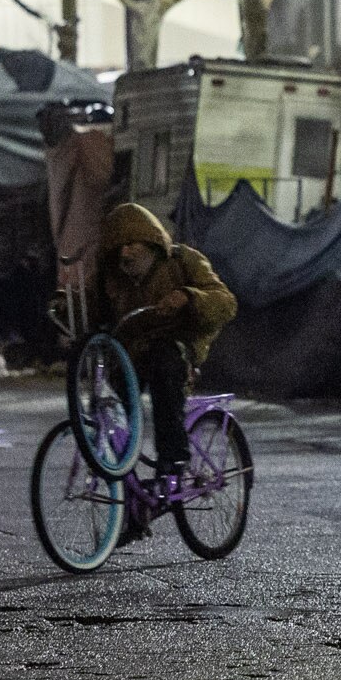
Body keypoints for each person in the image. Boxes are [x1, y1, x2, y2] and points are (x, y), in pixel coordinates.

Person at [88, 201, 239, 478]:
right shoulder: (110, 277)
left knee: (164, 365)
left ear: (151, 242)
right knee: (111, 405)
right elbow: (86, 304)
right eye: (119, 247)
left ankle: (174, 458)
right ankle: (122, 476)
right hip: (129, 354)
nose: (124, 253)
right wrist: (63, 304)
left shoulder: (183, 261)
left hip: (176, 348)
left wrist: (189, 297)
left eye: (131, 244)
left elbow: (225, 302)